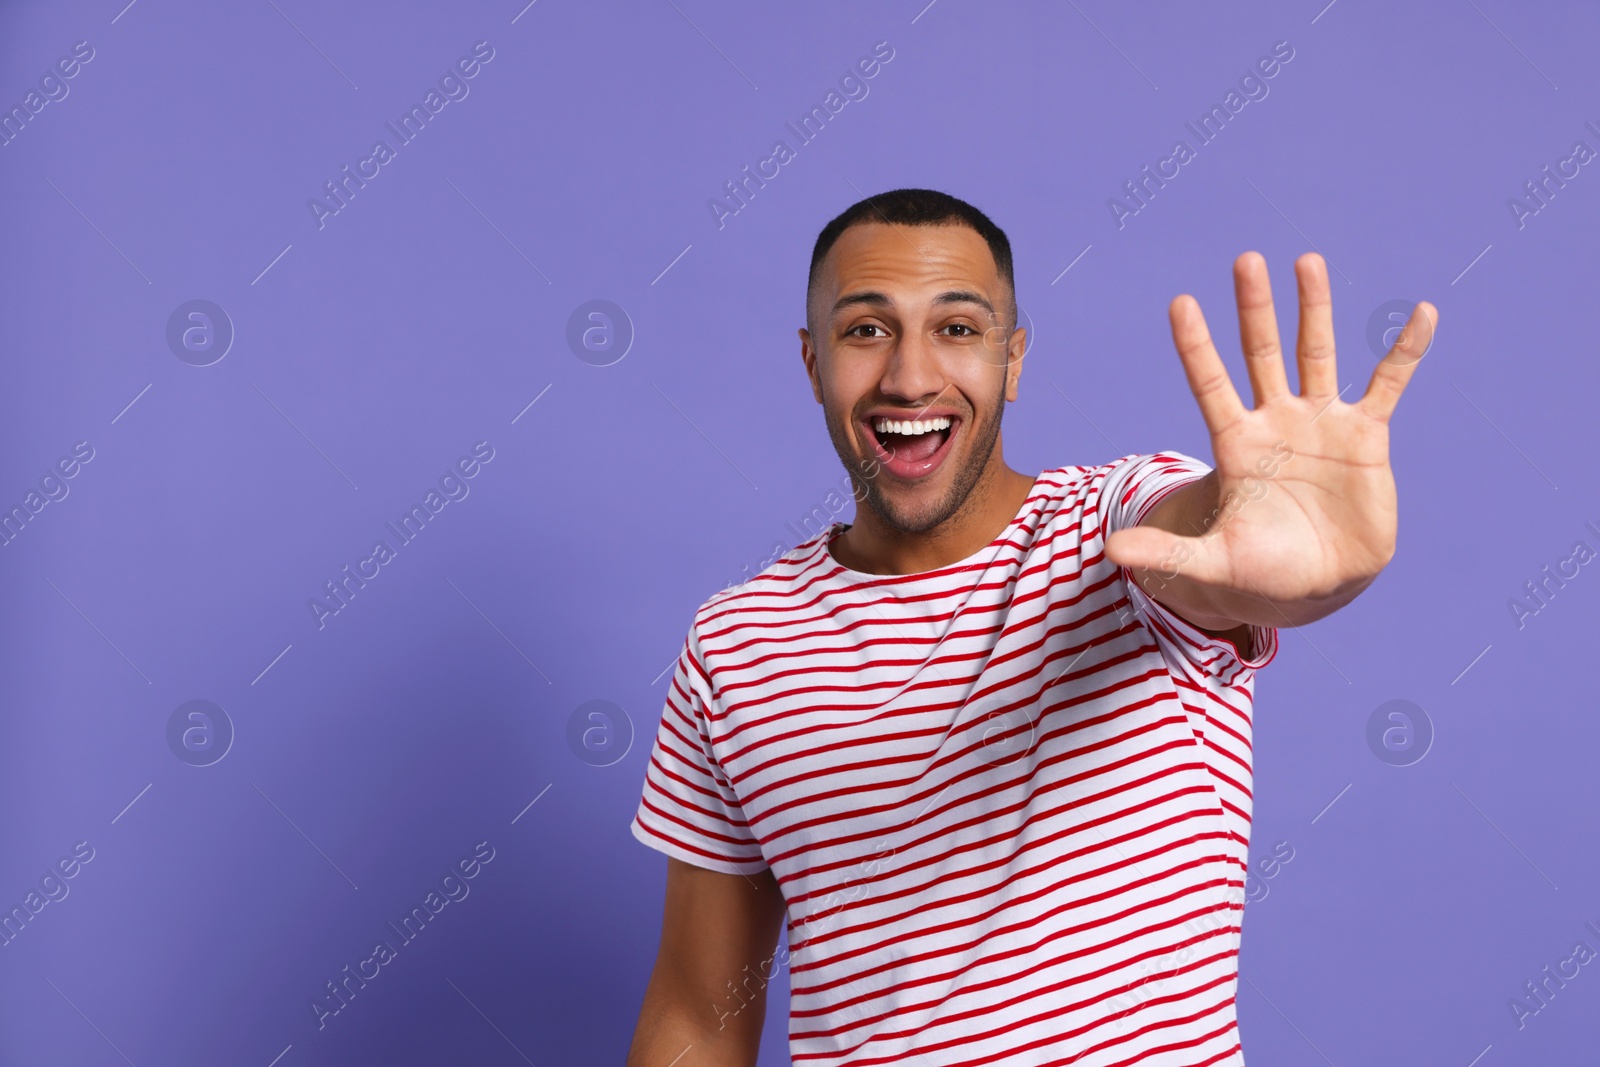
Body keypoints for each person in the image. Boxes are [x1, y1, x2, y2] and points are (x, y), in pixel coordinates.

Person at [625, 188, 1435, 1066]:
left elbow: (1210, 553)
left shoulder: (1112, 538)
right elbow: (699, 1008)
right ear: (812, 361)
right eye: (866, 330)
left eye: (959, 329)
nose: (909, 376)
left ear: (1013, 360)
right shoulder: (737, 642)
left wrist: (1293, 562)